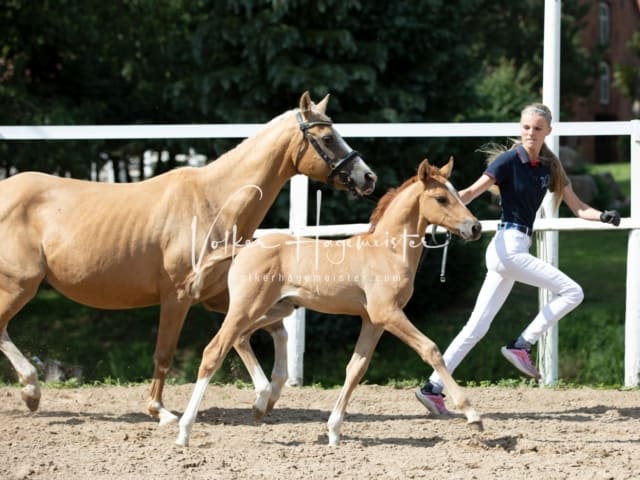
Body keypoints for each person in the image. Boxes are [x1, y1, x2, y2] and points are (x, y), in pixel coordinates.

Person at [415, 103, 621, 415]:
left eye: (537, 128)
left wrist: (604, 216)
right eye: (526, 127)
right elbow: (471, 192)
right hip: (506, 246)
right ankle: (521, 344)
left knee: (476, 328)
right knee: (573, 292)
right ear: (520, 128)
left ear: (548, 131)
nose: (530, 133)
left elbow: (578, 207)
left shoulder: (550, 167)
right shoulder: (508, 160)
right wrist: (440, 209)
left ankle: (433, 388)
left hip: (514, 249)